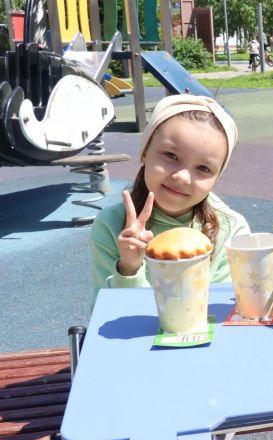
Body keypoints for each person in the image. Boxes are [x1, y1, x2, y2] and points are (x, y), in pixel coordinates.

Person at [90, 94, 250, 306]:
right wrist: (129, 269)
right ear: (145, 152)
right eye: (171, 156)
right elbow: (110, 317)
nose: (182, 177)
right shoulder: (111, 225)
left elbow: (224, 312)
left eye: (203, 168)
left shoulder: (230, 230)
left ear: (217, 178)